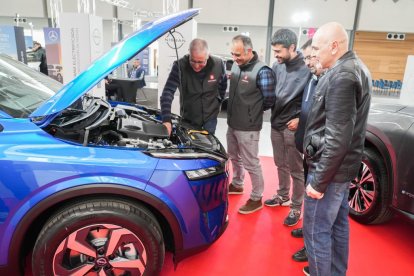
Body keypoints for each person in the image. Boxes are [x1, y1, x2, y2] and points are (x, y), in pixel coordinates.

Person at [302, 22, 371, 276]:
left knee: (315, 231)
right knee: (338, 226)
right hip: (341, 170)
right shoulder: (355, 67)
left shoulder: (342, 76)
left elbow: (337, 139)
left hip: (329, 172)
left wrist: (318, 182)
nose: (314, 54)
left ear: (334, 46)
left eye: (318, 49)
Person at [265, 29, 311, 226]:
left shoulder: (307, 68)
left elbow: (315, 98)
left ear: (292, 47)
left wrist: (301, 119)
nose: (275, 55)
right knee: (279, 163)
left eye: (278, 51)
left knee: (296, 169)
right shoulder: (277, 65)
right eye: (274, 50)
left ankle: (296, 206)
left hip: (292, 126)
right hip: (276, 122)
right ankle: (282, 195)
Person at [227, 35, 276, 214]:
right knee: (233, 155)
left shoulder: (263, 71)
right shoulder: (236, 65)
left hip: (248, 126)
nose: (235, 58)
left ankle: (256, 198)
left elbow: (269, 99)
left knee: (251, 162)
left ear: (249, 51)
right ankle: (237, 184)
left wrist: (252, 111)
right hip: (232, 122)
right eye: (233, 53)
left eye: (238, 54)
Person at [291, 38, 325, 263]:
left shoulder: (326, 82)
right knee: (308, 196)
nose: (308, 62)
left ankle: (310, 247)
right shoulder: (312, 79)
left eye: (311, 57)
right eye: (306, 58)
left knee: (316, 204)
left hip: (319, 152)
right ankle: (307, 230)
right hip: (307, 146)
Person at [160, 38, 227, 135]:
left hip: (210, 117)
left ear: (208, 55)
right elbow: (167, 93)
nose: (196, 66)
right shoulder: (179, 66)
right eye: (193, 61)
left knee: (207, 146)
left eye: (200, 62)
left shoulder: (218, 64)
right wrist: (166, 120)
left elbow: (223, 85)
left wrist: (218, 102)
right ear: (189, 53)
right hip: (189, 117)